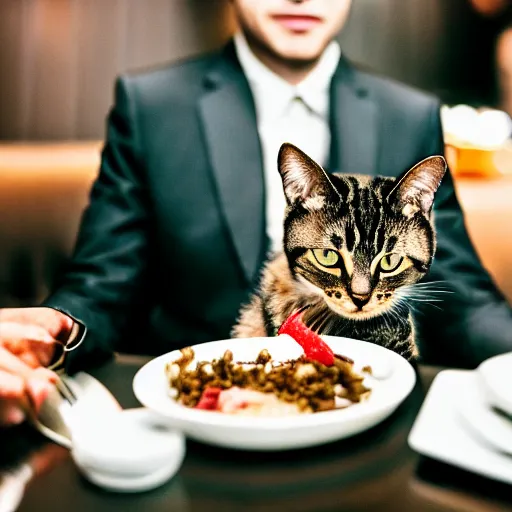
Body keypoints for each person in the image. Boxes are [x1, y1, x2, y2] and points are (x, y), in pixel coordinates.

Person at [1, 0, 512, 426]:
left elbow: (464, 296)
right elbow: (101, 284)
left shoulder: (411, 114)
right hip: (194, 420)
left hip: (363, 416)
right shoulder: (151, 106)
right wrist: (57, 326)